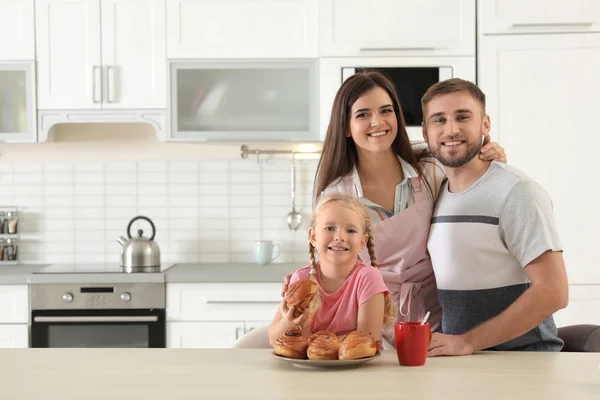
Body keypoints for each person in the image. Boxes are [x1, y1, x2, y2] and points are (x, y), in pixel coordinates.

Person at [281, 71, 507, 345]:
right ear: (345, 127)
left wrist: (492, 160)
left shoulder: (431, 169)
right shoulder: (337, 195)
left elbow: (476, 197)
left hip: (441, 318)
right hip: (371, 318)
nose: (377, 122)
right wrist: (302, 279)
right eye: (363, 114)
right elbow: (332, 257)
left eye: (386, 111)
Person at [422, 78, 568, 355]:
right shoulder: (435, 192)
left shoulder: (517, 191)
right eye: (439, 120)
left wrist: (468, 341)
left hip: (523, 361)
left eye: (462, 117)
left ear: (485, 125)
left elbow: (554, 291)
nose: (451, 129)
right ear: (426, 131)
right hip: (464, 363)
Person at [268, 193, 396, 346]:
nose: (339, 237)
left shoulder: (368, 278)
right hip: (307, 370)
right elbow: (274, 339)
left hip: (356, 369)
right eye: (330, 228)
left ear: (363, 242)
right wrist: (289, 322)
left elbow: (368, 340)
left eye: (351, 231)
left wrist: (314, 343)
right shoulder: (301, 279)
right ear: (313, 236)